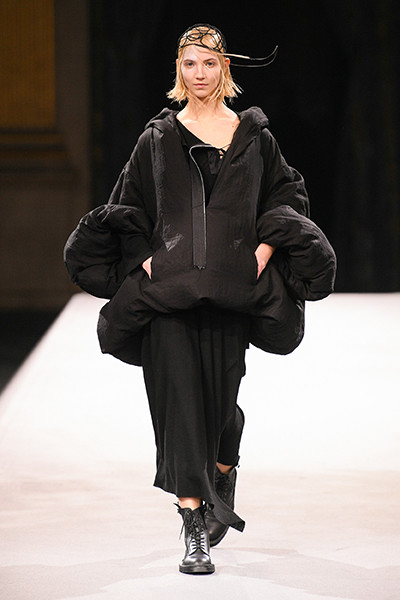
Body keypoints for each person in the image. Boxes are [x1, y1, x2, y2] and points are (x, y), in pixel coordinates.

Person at [64, 23, 336, 575]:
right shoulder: (157, 138)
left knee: (220, 404)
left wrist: (262, 250)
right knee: (178, 406)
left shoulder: (253, 136)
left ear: (224, 69)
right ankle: (193, 527)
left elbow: (286, 196)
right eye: (190, 64)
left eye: (209, 64)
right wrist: (146, 256)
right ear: (179, 70)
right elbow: (128, 203)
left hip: (231, 291)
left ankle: (223, 464)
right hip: (167, 294)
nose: (199, 74)